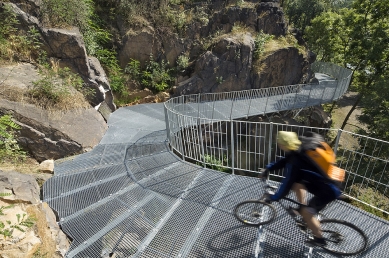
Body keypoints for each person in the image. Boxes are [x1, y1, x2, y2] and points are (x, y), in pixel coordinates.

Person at [262, 131, 341, 247]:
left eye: (279, 143)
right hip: (330, 180)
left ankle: (319, 239)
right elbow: (285, 161)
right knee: (297, 184)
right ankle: (302, 206)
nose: (278, 144)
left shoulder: (296, 162)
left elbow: (286, 185)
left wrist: (273, 197)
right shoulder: (299, 146)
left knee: (307, 213)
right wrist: (268, 168)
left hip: (329, 190)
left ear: (283, 145)